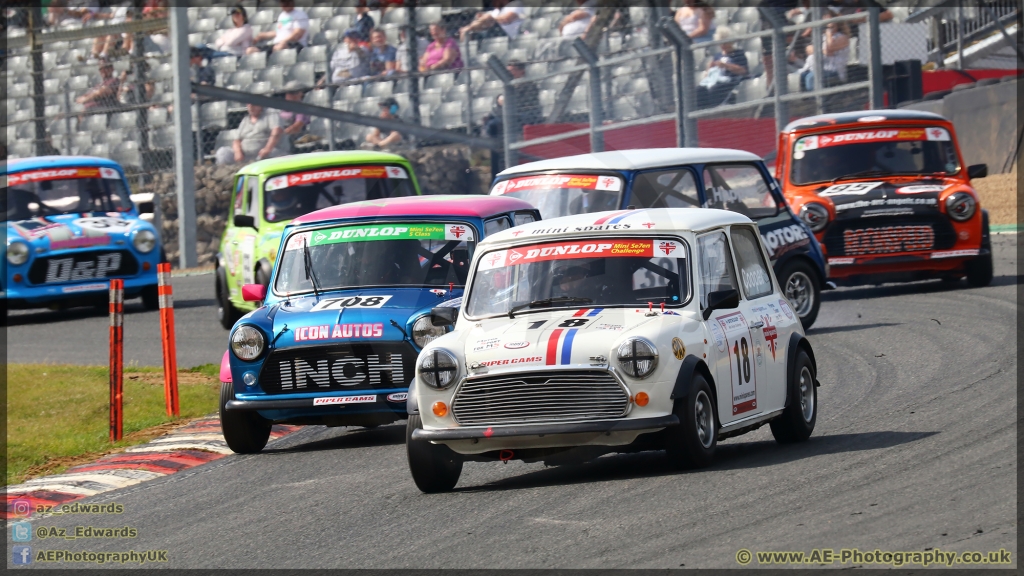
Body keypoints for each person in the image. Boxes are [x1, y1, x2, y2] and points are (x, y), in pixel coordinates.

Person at [483, 60, 540, 174]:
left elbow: (520, 105)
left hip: (524, 116)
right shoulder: (508, 85)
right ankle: (489, 140)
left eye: (511, 70)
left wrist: (503, 100)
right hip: (507, 115)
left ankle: (486, 140)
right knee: (489, 119)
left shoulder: (529, 85)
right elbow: (500, 104)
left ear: (521, 71)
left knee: (493, 123)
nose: (509, 73)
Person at [695, 28, 748, 109]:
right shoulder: (717, 56)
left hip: (731, 81)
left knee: (714, 89)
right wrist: (709, 68)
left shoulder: (738, 54)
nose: (723, 46)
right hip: (715, 80)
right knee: (699, 90)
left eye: (725, 43)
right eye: (721, 43)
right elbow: (707, 76)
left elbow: (743, 71)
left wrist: (726, 66)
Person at [217, 104, 285, 165]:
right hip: (245, 157)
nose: (250, 106)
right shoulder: (245, 120)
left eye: (253, 104)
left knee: (273, 152)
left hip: (264, 154)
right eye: (248, 104)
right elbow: (237, 140)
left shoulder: (270, 113)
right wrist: (238, 152)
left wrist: (267, 149)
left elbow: (277, 131)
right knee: (223, 152)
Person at [800, 13, 850, 91]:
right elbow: (808, 49)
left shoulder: (842, 37)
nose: (827, 25)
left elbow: (830, 47)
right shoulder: (821, 36)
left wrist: (828, 31)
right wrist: (822, 51)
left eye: (829, 23)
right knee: (800, 77)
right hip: (814, 68)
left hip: (833, 70)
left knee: (811, 78)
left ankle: (818, 100)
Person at [459, 0, 526, 41]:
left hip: (508, 37)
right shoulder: (496, 11)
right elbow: (487, 20)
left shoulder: (516, 4)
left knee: (487, 17)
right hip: (491, 36)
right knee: (469, 31)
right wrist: (482, 18)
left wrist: (489, 19)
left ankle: (468, 28)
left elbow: (507, 19)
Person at [277, 81, 311, 151]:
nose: (290, 95)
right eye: (288, 93)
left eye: (294, 93)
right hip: (280, 135)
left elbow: (297, 127)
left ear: (301, 94)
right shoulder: (281, 108)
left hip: (294, 137)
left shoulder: (302, 108)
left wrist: (280, 135)